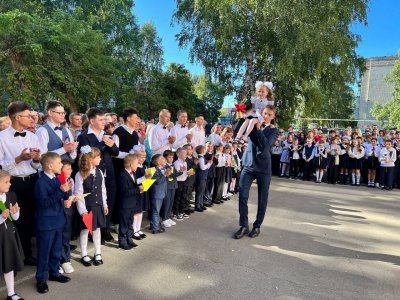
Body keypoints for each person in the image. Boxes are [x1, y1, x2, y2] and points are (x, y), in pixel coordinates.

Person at [0, 101, 41, 266]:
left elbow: (36, 165)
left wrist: (36, 160)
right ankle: (15, 257)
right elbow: (1, 166)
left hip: (32, 180)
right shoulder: (1, 138)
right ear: (17, 117)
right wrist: (19, 159)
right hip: (13, 183)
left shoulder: (32, 136)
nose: (31, 119)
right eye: (28, 116)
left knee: (31, 218)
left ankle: (29, 253)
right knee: (16, 219)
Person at [234, 105, 278, 239]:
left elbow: (265, 146)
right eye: (264, 113)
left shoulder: (273, 131)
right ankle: (244, 225)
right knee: (242, 195)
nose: (266, 116)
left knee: (262, 199)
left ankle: (257, 226)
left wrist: (258, 129)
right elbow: (237, 130)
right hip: (248, 165)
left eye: (269, 114)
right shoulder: (253, 121)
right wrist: (243, 115)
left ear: (273, 117)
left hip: (263, 168)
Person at [77, 108, 118, 243]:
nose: (103, 122)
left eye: (104, 120)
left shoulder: (106, 133)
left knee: (108, 201)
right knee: (93, 204)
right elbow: (88, 155)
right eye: (101, 120)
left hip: (109, 173)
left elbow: (116, 152)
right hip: (92, 175)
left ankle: (104, 230)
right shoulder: (84, 136)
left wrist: (112, 145)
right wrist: (102, 143)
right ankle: (91, 231)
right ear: (92, 120)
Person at [34, 152, 73, 294]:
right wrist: (61, 191)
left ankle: (54, 272)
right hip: (46, 222)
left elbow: (64, 194)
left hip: (58, 219)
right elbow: (44, 203)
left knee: (56, 249)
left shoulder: (58, 178)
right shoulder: (40, 183)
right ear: (50, 166)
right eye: (59, 163)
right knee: (44, 251)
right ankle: (41, 279)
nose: (61, 165)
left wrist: (67, 195)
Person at [74, 146, 108, 267]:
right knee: (84, 230)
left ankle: (97, 252)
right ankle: (84, 254)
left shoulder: (99, 171)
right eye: (98, 157)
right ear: (90, 159)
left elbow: (103, 189)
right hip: (86, 208)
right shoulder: (80, 174)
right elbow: (78, 194)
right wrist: (83, 211)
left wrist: (105, 204)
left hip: (98, 205)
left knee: (97, 229)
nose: (100, 159)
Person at [0, 170, 25, 300]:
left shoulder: (11, 195)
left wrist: (15, 213)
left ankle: (11, 293)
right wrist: (1, 217)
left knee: (8, 264)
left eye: (9, 181)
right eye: (6, 182)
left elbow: (15, 218)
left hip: (8, 236)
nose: (9, 184)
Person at [118, 154, 140, 250]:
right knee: (124, 223)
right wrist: (138, 189)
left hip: (132, 203)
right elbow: (125, 191)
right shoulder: (123, 175)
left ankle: (129, 238)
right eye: (136, 163)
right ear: (130, 164)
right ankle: (122, 241)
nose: (138, 165)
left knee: (130, 222)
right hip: (125, 204)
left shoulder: (133, 173)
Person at [59, 160, 76, 274]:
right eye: (68, 169)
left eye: (71, 168)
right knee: (58, 237)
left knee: (66, 236)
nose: (71, 170)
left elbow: (72, 193)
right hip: (60, 212)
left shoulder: (71, 180)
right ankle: (58, 261)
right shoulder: (58, 181)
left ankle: (66, 259)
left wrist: (74, 197)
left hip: (69, 211)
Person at [162, 150, 183, 227]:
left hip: (173, 185)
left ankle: (168, 217)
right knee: (166, 203)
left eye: (172, 157)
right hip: (167, 186)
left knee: (171, 202)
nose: (171, 158)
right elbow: (170, 176)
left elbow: (175, 174)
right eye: (169, 157)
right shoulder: (165, 166)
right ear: (165, 158)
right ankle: (164, 219)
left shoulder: (172, 165)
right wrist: (174, 174)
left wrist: (180, 171)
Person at [149, 154, 170, 234]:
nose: (164, 159)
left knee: (156, 210)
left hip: (161, 192)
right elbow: (157, 181)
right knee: (156, 211)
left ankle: (153, 224)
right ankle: (155, 228)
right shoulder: (153, 169)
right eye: (162, 158)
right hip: (157, 193)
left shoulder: (164, 168)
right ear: (158, 162)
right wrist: (165, 175)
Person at [173, 148, 192, 220]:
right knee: (177, 197)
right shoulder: (177, 162)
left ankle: (181, 211)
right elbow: (177, 174)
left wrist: (188, 173)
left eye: (186, 153)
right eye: (184, 154)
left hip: (184, 181)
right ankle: (176, 213)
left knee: (183, 197)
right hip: (178, 182)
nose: (186, 155)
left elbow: (185, 172)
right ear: (178, 154)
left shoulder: (185, 162)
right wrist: (181, 171)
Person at [194, 145, 212, 212]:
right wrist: (209, 164)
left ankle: (200, 204)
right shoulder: (200, 158)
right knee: (199, 191)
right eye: (205, 149)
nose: (205, 150)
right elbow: (202, 168)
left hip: (203, 176)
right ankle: (197, 205)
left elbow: (206, 168)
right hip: (200, 177)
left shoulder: (202, 158)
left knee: (202, 191)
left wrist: (209, 164)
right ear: (202, 150)